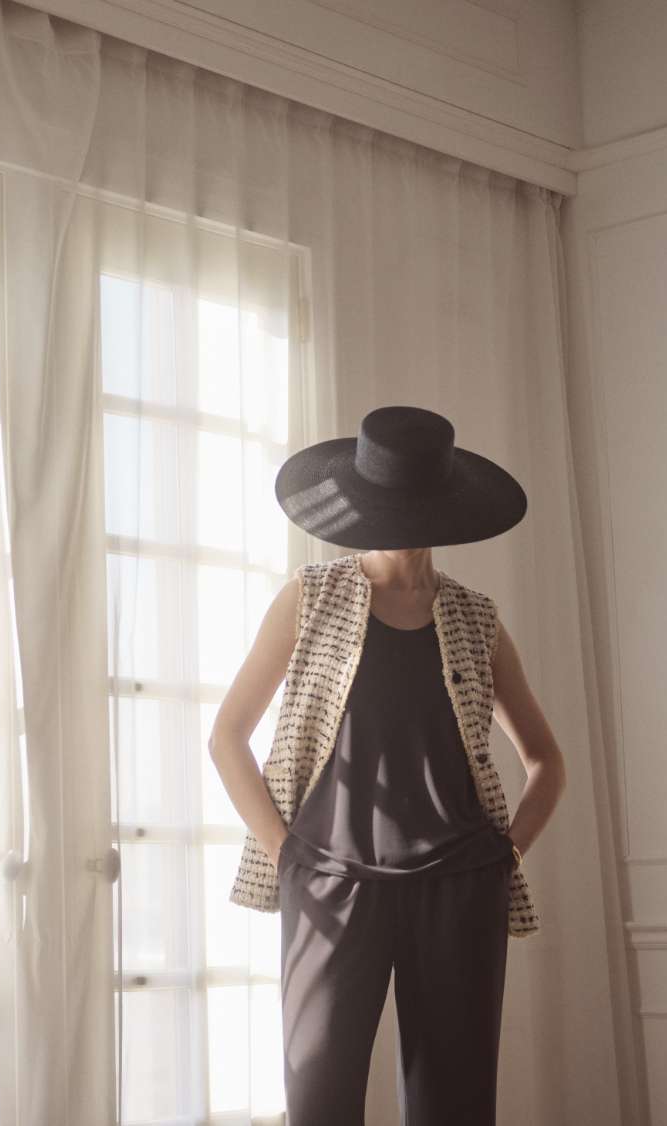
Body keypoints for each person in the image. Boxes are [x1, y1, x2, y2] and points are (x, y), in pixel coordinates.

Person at [207, 404, 567, 1125]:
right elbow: (228, 736)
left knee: (454, 1106)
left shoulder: (476, 618)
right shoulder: (311, 598)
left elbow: (545, 759)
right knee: (317, 1097)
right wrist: (287, 855)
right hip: (329, 882)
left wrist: (504, 856)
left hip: (460, 887)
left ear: (444, 505)